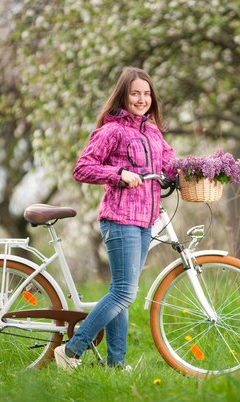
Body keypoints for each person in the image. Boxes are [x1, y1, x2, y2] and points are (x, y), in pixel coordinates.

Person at [54, 67, 176, 370]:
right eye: (135, 93)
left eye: (147, 94)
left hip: (145, 221)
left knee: (123, 293)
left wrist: (201, 170)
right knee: (124, 292)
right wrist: (119, 174)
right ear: (123, 95)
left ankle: (116, 364)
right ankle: (71, 351)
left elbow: (170, 163)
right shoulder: (112, 130)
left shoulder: (153, 131)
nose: (142, 99)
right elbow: (82, 167)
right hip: (120, 219)